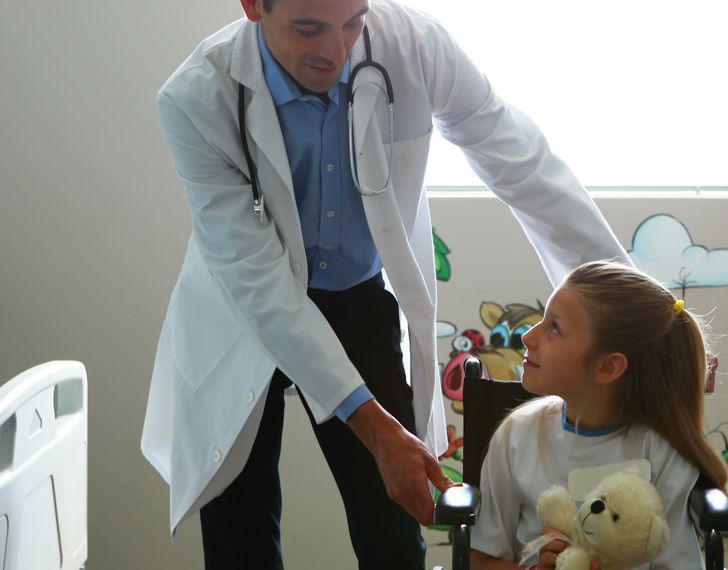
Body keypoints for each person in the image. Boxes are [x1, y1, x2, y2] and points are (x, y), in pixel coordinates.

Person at [139, 0, 629, 567]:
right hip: (244, 309)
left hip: (357, 301)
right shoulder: (197, 96)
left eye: (353, 22)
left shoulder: (416, 46)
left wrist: (639, 306)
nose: (335, 50)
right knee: (240, 529)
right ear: (253, 6)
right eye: (308, 28)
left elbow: (522, 163)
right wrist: (375, 429)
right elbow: (258, 280)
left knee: (392, 529)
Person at [469, 260, 728, 570]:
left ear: (607, 367)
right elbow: (481, 560)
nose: (528, 337)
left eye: (554, 327)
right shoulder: (517, 435)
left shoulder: (662, 450)